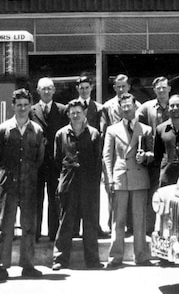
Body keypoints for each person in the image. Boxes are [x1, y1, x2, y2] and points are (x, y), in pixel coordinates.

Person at [0, 88, 45, 280]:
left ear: (31, 106)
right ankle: (2, 267)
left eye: (26, 105)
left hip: (29, 185)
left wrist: (27, 174)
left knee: (29, 225)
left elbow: (39, 158)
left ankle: (28, 265)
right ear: (13, 106)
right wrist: (7, 175)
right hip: (8, 185)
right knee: (4, 225)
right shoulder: (3, 129)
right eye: (19, 105)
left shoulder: (36, 131)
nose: (22, 108)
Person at [102, 93, 154, 268]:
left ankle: (141, 256)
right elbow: (107, 157)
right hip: (120, 176)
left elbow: (152, 154)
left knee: (139, 219)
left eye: (129, 105)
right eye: (123, 106)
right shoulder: (112, 130)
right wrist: (109, 180)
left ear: (135, 106)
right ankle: (115, 257)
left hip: (139, 177)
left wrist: (145, 157)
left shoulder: (145, 129)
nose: (126, 109)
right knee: (118, 219)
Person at [51, 99, 103, 271]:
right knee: (65, 223)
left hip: (89, 186)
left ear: (85, 113)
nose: (75, 115)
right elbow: (57, 159)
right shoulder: (61, 134)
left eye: (78, 112)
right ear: (68, 114)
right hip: (68, 184)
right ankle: (60, 259)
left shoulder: (94, 134)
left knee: (90, 223)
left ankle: (93, 261)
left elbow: (98, 161)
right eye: (72, 112)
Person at [67, 75, 107, 238]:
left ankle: (94, 227)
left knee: (92, 195)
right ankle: (75, 228)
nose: (84, 90)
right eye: (81, 88)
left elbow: (102, 130)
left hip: (91, 156)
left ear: (91, 88)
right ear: (77, 89)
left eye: (86, 87)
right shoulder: (72, 107)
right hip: (75, 155)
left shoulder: (98, 108)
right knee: (74, 194)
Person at [30, 77, 68, 241]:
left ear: (54, 90)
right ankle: (36, 233)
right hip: (37, 161)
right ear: (38, 91)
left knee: (55, 198)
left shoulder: (62, 109)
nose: (46, 91)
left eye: (49, 88)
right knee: (36, 198)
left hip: (55, 162)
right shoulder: (31, 111)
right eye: (43, 88)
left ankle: (54, 234)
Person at [100, 74, 136, 236]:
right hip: (116, 153)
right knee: (114, 191)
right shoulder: (107, 107)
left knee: (132, 190)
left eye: (124, 86)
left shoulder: (137, 105)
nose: (121, 89)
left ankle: (131, 225)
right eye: (118, 86)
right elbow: (104, 131)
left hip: (132, 153)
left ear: (129, 86)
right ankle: (114, 225)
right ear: (114, 87)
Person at [137, 76, 171, 232]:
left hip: (171, 157)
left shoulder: (176, 105)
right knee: (152, 193)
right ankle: (150, 229)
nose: (162, 90)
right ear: (154, 90)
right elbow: (137, 129)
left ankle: (169, 228)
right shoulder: (146, 108)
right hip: (153, 156)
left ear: (169, 89)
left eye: (164, 87)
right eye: (159, 88)